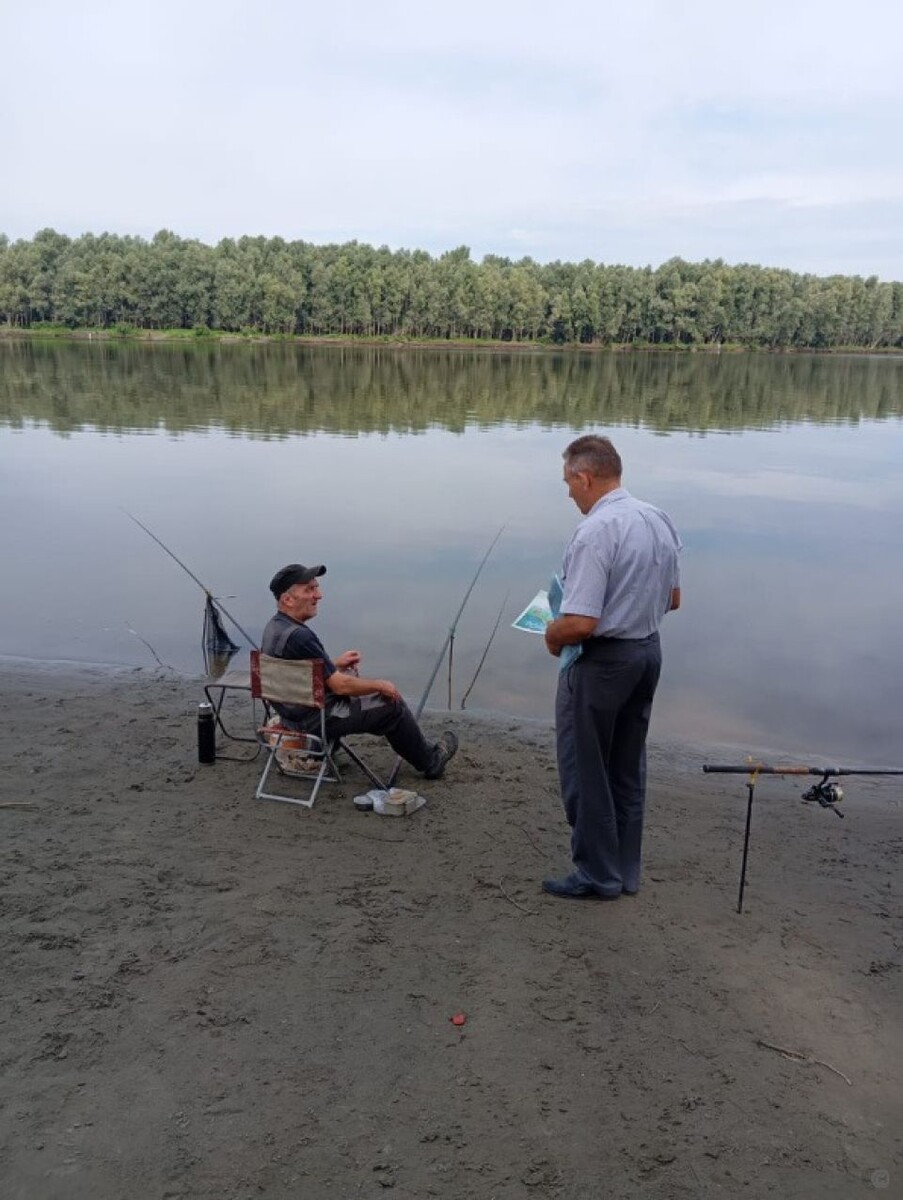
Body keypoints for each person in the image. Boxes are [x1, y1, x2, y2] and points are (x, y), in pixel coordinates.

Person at [542, 435, 681, 900]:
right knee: (626, 766)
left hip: (602, 663)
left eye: (568, 483)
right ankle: (624, 870)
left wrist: (551, 633)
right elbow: (674, 599)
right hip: (647, 653)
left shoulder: (595, 531)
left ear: (585, 477)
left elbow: (581, 622)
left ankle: (596, 875)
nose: (568, 494)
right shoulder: (657, 518)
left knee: (585, 767)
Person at [261, 563, 458, 781]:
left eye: (316, 588)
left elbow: (297, 671)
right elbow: (339, 686)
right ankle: (431, 761)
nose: (319, 595)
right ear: (287, 599)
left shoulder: (274, 627)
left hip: (291, 714)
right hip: (315, 719)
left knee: (354, 683)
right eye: (309, 589)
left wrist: (334, 664)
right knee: (391, 705)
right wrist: (380, 685)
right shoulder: (300, 636)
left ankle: (326, 748)